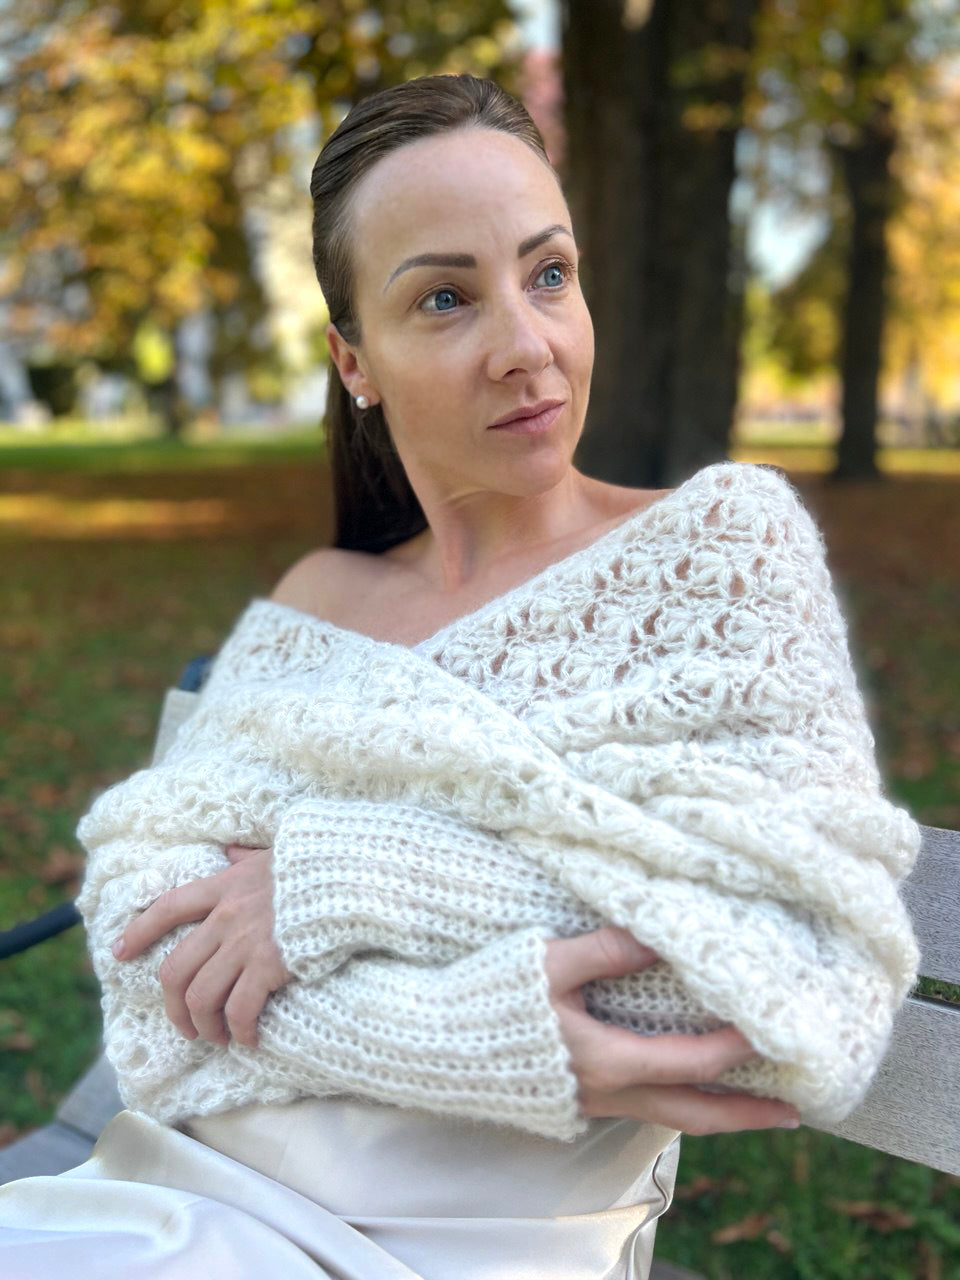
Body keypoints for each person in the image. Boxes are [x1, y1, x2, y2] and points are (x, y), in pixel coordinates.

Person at [0, 73, 920, 1279]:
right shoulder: (321, 596)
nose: (527, 346)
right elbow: (145, 942)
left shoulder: (719, 553)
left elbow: (798, 968)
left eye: (550, 274)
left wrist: (342, 875)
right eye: (444, 297)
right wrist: (451, 1030)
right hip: (170, 1202)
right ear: (355, 360)